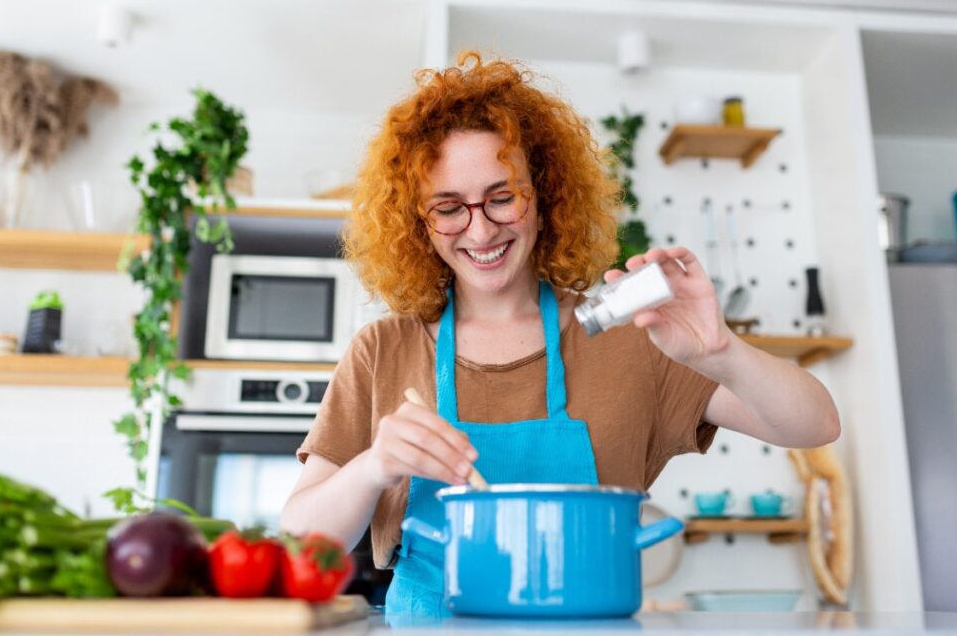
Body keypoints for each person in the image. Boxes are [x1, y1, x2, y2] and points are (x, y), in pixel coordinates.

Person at [279, 52, 840, 617]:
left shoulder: (630, 337)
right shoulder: (383, 351)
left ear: (544, 197)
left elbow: (817, 424)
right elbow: (303, 539)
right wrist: (375, 464)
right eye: (449, 208)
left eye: (502, 197)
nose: (480, 229)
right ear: (419, 223)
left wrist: (722, 351)